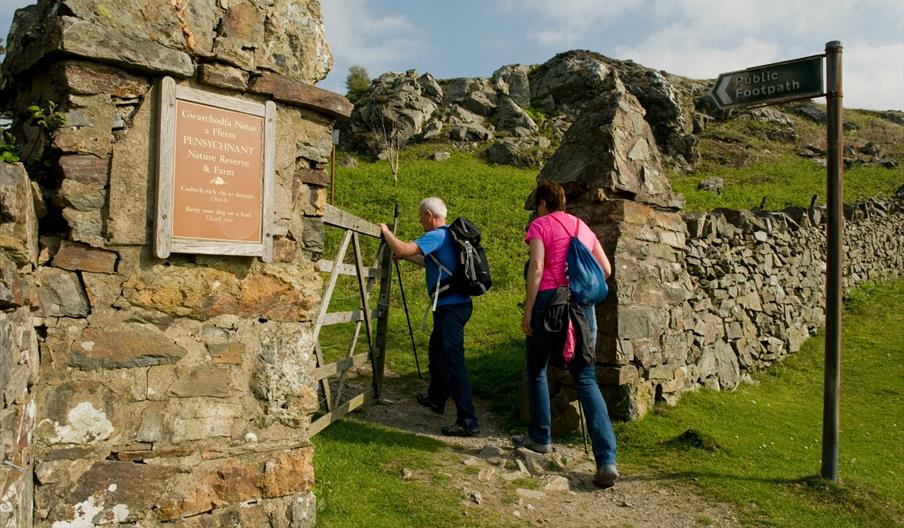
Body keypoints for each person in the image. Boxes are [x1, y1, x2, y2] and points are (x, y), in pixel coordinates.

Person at [514, 180, 619, 488]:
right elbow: (606, 269)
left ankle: (541, 438)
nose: (536, 208)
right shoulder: (582, 227)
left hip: (549, 302)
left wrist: (528, 310)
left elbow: (536, 267)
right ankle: (607, 461)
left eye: (537, 203)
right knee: (586, 378)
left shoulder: (540, 225)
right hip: (581, 307)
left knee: (536, 369)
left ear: (544, 203)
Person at [379, 197, 481, 437]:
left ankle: (468, 420)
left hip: (450, 308)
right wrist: (403, 256)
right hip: (458, 305)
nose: (419, 221)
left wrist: (386, 232)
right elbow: (429, 262)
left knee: (454, 362)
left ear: (428, 215)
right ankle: (436, 398)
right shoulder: (447, 237)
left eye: (420, 216)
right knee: (437, 352)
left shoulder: (436, 235)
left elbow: (402, 247)